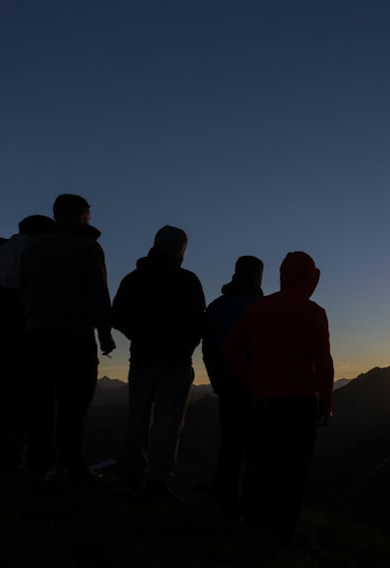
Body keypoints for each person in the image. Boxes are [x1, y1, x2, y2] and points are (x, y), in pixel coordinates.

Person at [226, 251, 333, 539]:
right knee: (293, 470)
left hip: (263, 401)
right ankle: (283, 531)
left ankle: (251, 523)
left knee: (259, 462)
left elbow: (232, 350)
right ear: (310, 279)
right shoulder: (314, 312)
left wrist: (251, 382)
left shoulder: (258, 310)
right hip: (301, 404)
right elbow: (323, 361)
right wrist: (327, 402)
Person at [19, 194, 115, 480]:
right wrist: (105, 334)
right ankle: (71, 463)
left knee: (40, 402)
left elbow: (24, 289)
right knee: (74, 403)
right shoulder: (88, 247)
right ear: (81, 217)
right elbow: (99, 293)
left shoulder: (34, 248)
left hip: (36, 334)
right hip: (75, 335)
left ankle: (38, 464)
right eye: (87, 215)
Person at [111, 225, 206, 498]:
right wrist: (186, 345)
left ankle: (133, 474)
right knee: (167, 423)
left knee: (137, 419)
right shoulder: (187, 281)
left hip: (141, 359)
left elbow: (116, 317)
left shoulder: (133, 280)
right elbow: (199, 322)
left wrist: (137, 335)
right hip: (176, 362)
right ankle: (158, 480)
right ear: (181, 251)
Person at [0, 214, 54, 470]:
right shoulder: (31, 252)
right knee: (30, 397)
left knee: (4, 394)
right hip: (23, 330)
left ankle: (0, 451)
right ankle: (18, 456)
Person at [201, 255, 264, 511]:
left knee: (230, 443)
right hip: (259, 388)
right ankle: (251, 503)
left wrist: (216, 380)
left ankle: (223, 497)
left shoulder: (216, 307)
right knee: (257, 446)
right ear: (258, 276)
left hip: (226, 385)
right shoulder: (263, 308)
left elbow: (208, 349)